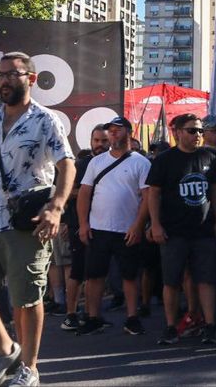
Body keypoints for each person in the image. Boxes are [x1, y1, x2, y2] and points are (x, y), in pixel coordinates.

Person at [0, 52, 76, 387]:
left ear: (32, 79)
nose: (5, 80)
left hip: (26, 222)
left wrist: (56, 206)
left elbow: (67, 164)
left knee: (26, 300)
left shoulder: (46, 120)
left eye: (13, 74)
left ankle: (30, 367)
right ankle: (6, 350)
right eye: (1, 75)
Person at [146, 113, 216, 346]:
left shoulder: (211, 157)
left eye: (200, 131)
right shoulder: (164, 160)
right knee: (171, 281)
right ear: (178, 133)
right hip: (174, 231)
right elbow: (153, 193)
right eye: (192, 131)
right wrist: (156, 224)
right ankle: (171, 327)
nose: (197, 135)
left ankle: (209, 326)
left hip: (204, 231)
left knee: (207, 279)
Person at [75, 117, 151, 336]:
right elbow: (84, 193)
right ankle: (93, 317)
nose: (113, 134)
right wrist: (83, 224)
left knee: (129, 276)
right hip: (98, 229)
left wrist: (138, 225)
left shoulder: (141, 162)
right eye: (111, 130)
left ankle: (132, 317)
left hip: (127, 229)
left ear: (129, 131)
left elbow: (148, 197)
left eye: (118, 130)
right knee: (94, 275)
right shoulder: (96, 162)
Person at [60, 126, 109, 332]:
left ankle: (91, 314)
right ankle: (70, 314)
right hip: (78, 224)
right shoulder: (81, 164)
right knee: (77, 270)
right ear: (90, 141)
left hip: (102, 225)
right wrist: (88, 190)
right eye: (96, 140)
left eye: (103, 141)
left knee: (95, 273)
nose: (99, 145)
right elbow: (66, 191)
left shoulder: (112, 162)